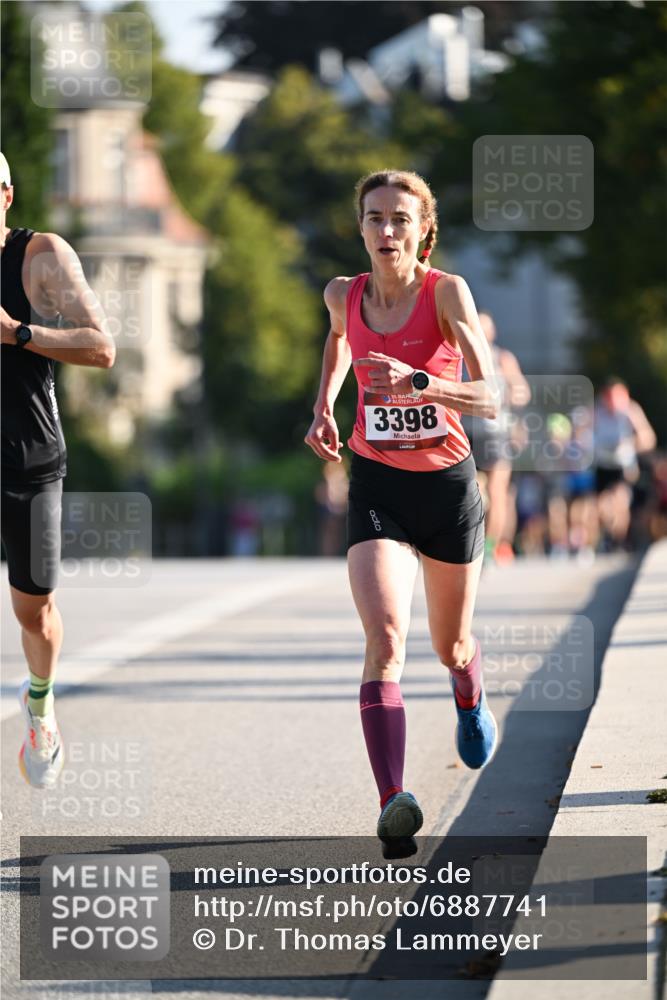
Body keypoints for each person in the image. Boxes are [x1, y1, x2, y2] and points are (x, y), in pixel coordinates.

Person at [305, 170, 499, 856]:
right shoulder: (342, 295)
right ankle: (392, 800)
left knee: (449, 644)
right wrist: (324, 406)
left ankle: (468, 692)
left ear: (423, 230)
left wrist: (421, 381)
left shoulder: (446, 293)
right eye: (374, 218)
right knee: (385, 639)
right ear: (359, 227)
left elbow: (491, 395)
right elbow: (338, 342)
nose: (386, 231)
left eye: (400, 220)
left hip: (446, 490)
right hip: (377, 484)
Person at [0, 152, 115, 789]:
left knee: (35, 611)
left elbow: (101, 346)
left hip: (28, 459)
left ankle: (40, 702)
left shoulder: (41, 257)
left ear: (7, 195)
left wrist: (17, 332)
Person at [468, 311, 530, 565]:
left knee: (498, 489)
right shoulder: (459, 355)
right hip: (466, 432)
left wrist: (504, 398)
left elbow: (522, 392)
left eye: (485, 329)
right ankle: (470, 541)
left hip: (496, 432)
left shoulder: (503, 359)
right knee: (472, 491)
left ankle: (491, 547)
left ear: (492, 333)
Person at [593, 377, 656, 551]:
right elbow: (581, 432)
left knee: (620, 500)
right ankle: (609, 533)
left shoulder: (631, 411)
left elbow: (648, 438)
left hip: (623, 464)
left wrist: (630, 444)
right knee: (602, 506)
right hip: (603, 464)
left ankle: (620, 540)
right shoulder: (597, 412)